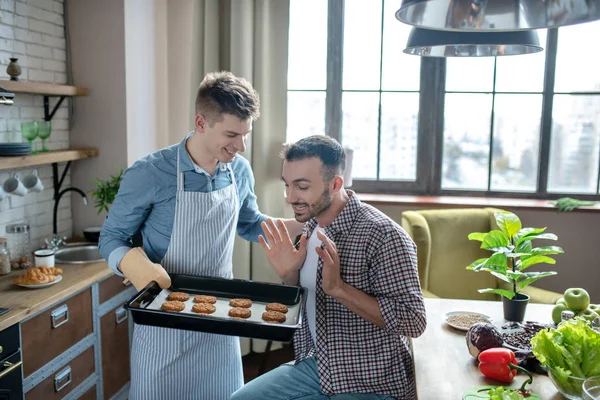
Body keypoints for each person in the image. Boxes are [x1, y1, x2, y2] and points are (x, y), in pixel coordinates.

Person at [98, 71, 303, 400]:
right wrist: (133, 264)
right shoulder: (150, 173)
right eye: (232, 134)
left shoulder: (238, 170)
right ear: (201, 122)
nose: (241, 146)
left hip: (220, 321)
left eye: (246, 134)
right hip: (165, 321)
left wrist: (307, 225)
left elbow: (249, 224)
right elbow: (110, 238)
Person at [231, 135, 427, 400]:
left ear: (335, 184)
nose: (290, 198)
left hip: (372, 379)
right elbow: (309, 304)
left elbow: (414, 320)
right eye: (287, 185)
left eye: (301, 187)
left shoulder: (384, 236)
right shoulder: (310, 227)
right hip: (319, 365)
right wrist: (288, 276)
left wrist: (340, 289)